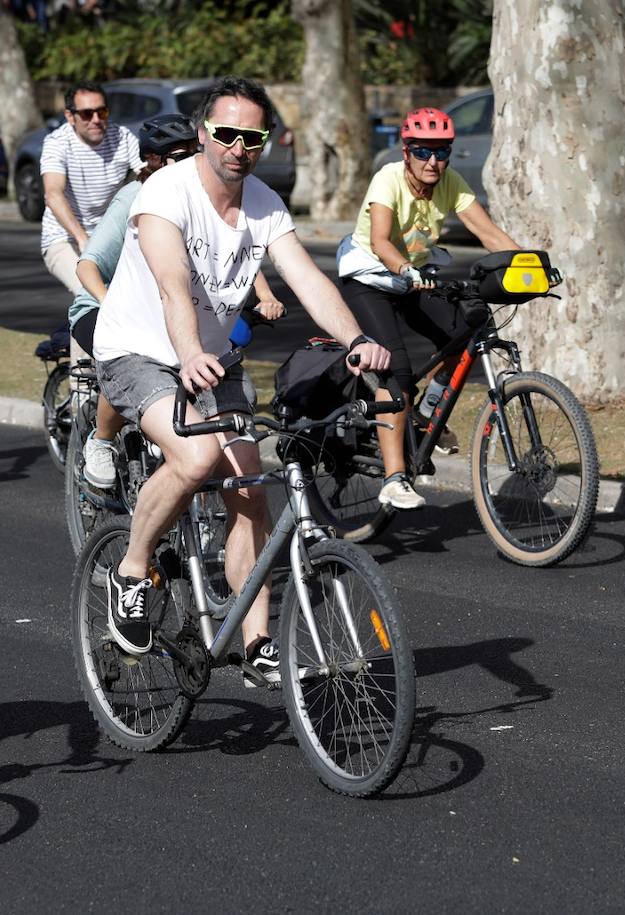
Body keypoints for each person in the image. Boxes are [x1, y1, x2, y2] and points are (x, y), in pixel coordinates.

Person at [92, 76, 390, 682]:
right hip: (140, 351)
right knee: (198, 458)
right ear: (203, 135)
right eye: (225, 134)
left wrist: (356, 340)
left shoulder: (264, 204)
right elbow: (174, 286)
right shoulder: (164, 195)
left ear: (265, 142)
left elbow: (307, 279)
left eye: (250, 137)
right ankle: (131, 569)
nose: (237, 147)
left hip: (213, 356)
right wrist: (187, 353)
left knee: (250, 488)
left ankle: (255, 645)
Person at [71, 112, 284, 488]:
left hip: (171, 310)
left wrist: (264, 294)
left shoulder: (204, 197)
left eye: (195, 153)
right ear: (154, 161)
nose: (193, 163)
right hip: (102, 308)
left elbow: (238, 251)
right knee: (125, 354)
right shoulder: (134, 198)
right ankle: (101, 439)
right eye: (181, 155)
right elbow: (87, 267)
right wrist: (114, 307)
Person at [335, 106, 521, 511]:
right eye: (422, 152)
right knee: (394, 369)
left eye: (441, 152)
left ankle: (423, 413)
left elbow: (487, 232)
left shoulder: (449, 182)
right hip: (370, 279)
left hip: (415, 278)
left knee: (472, 328)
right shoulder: (387, 178)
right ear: (406, 152)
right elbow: (382, 241)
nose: (433, 161)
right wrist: (404, 268)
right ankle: (394, 478)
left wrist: (529, 265)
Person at [39, 81, 141, 296]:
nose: (96, 120)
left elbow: (150, 176)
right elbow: (53, 194)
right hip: (66, 238)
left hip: (108, 236)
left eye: (101, 112)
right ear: (70, 116)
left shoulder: (122, 137)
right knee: (92, 295)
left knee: (134, 295)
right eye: (86, 114)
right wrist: (82, 238)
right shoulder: (57, 142)